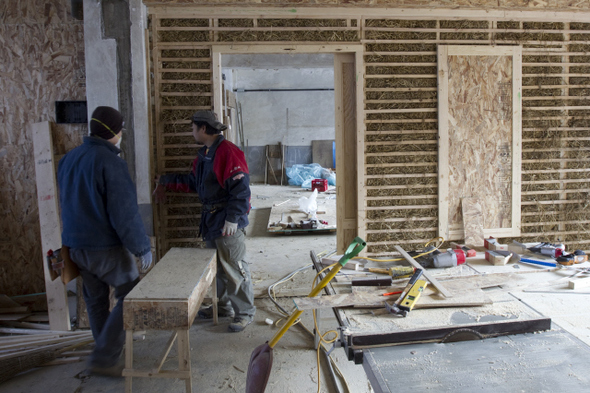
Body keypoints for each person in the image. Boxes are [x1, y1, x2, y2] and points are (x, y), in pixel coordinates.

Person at [57, 106, 152, 376]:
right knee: (130, 296)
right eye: (120, 129)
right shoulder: (110, 162)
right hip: (104, 248)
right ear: (113, 131)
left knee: (96, 300)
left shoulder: (69, 158)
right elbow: (124, 212)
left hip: (75, 247)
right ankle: (105, 356)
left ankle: (104, 351)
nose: (121, 133)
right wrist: (141, 246)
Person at [154, 110, 255, 332]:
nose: (191, 132)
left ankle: (245, 313)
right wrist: (165, 180)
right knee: (218, 268)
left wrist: (233, 218)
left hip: (226, 222)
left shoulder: (228, 152)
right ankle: (223, 306)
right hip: (211, 221)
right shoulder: (206, 153)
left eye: (192, 128)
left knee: (235, 267)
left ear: (202, 128)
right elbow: (194, 182)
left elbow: (241, 188)